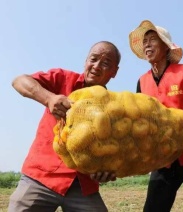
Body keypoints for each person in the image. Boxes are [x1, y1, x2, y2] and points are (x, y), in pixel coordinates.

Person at [8, 41, 121, 212]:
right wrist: (49, 98)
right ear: (86, 61)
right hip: (40, 176)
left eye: (105, 63)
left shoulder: (114, 108)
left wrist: (107, 169)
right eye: (94, 59)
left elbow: (111, 150)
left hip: (83, 185)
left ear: (114, 72)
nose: (96, 66)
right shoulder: (63, 79)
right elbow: (19, 81)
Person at [129, 20, 183, 212]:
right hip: (163, 160)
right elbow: (139, 120)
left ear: (166, 46)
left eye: (152, 40)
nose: (147, 44)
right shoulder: (142, 82)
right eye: (145, 41)